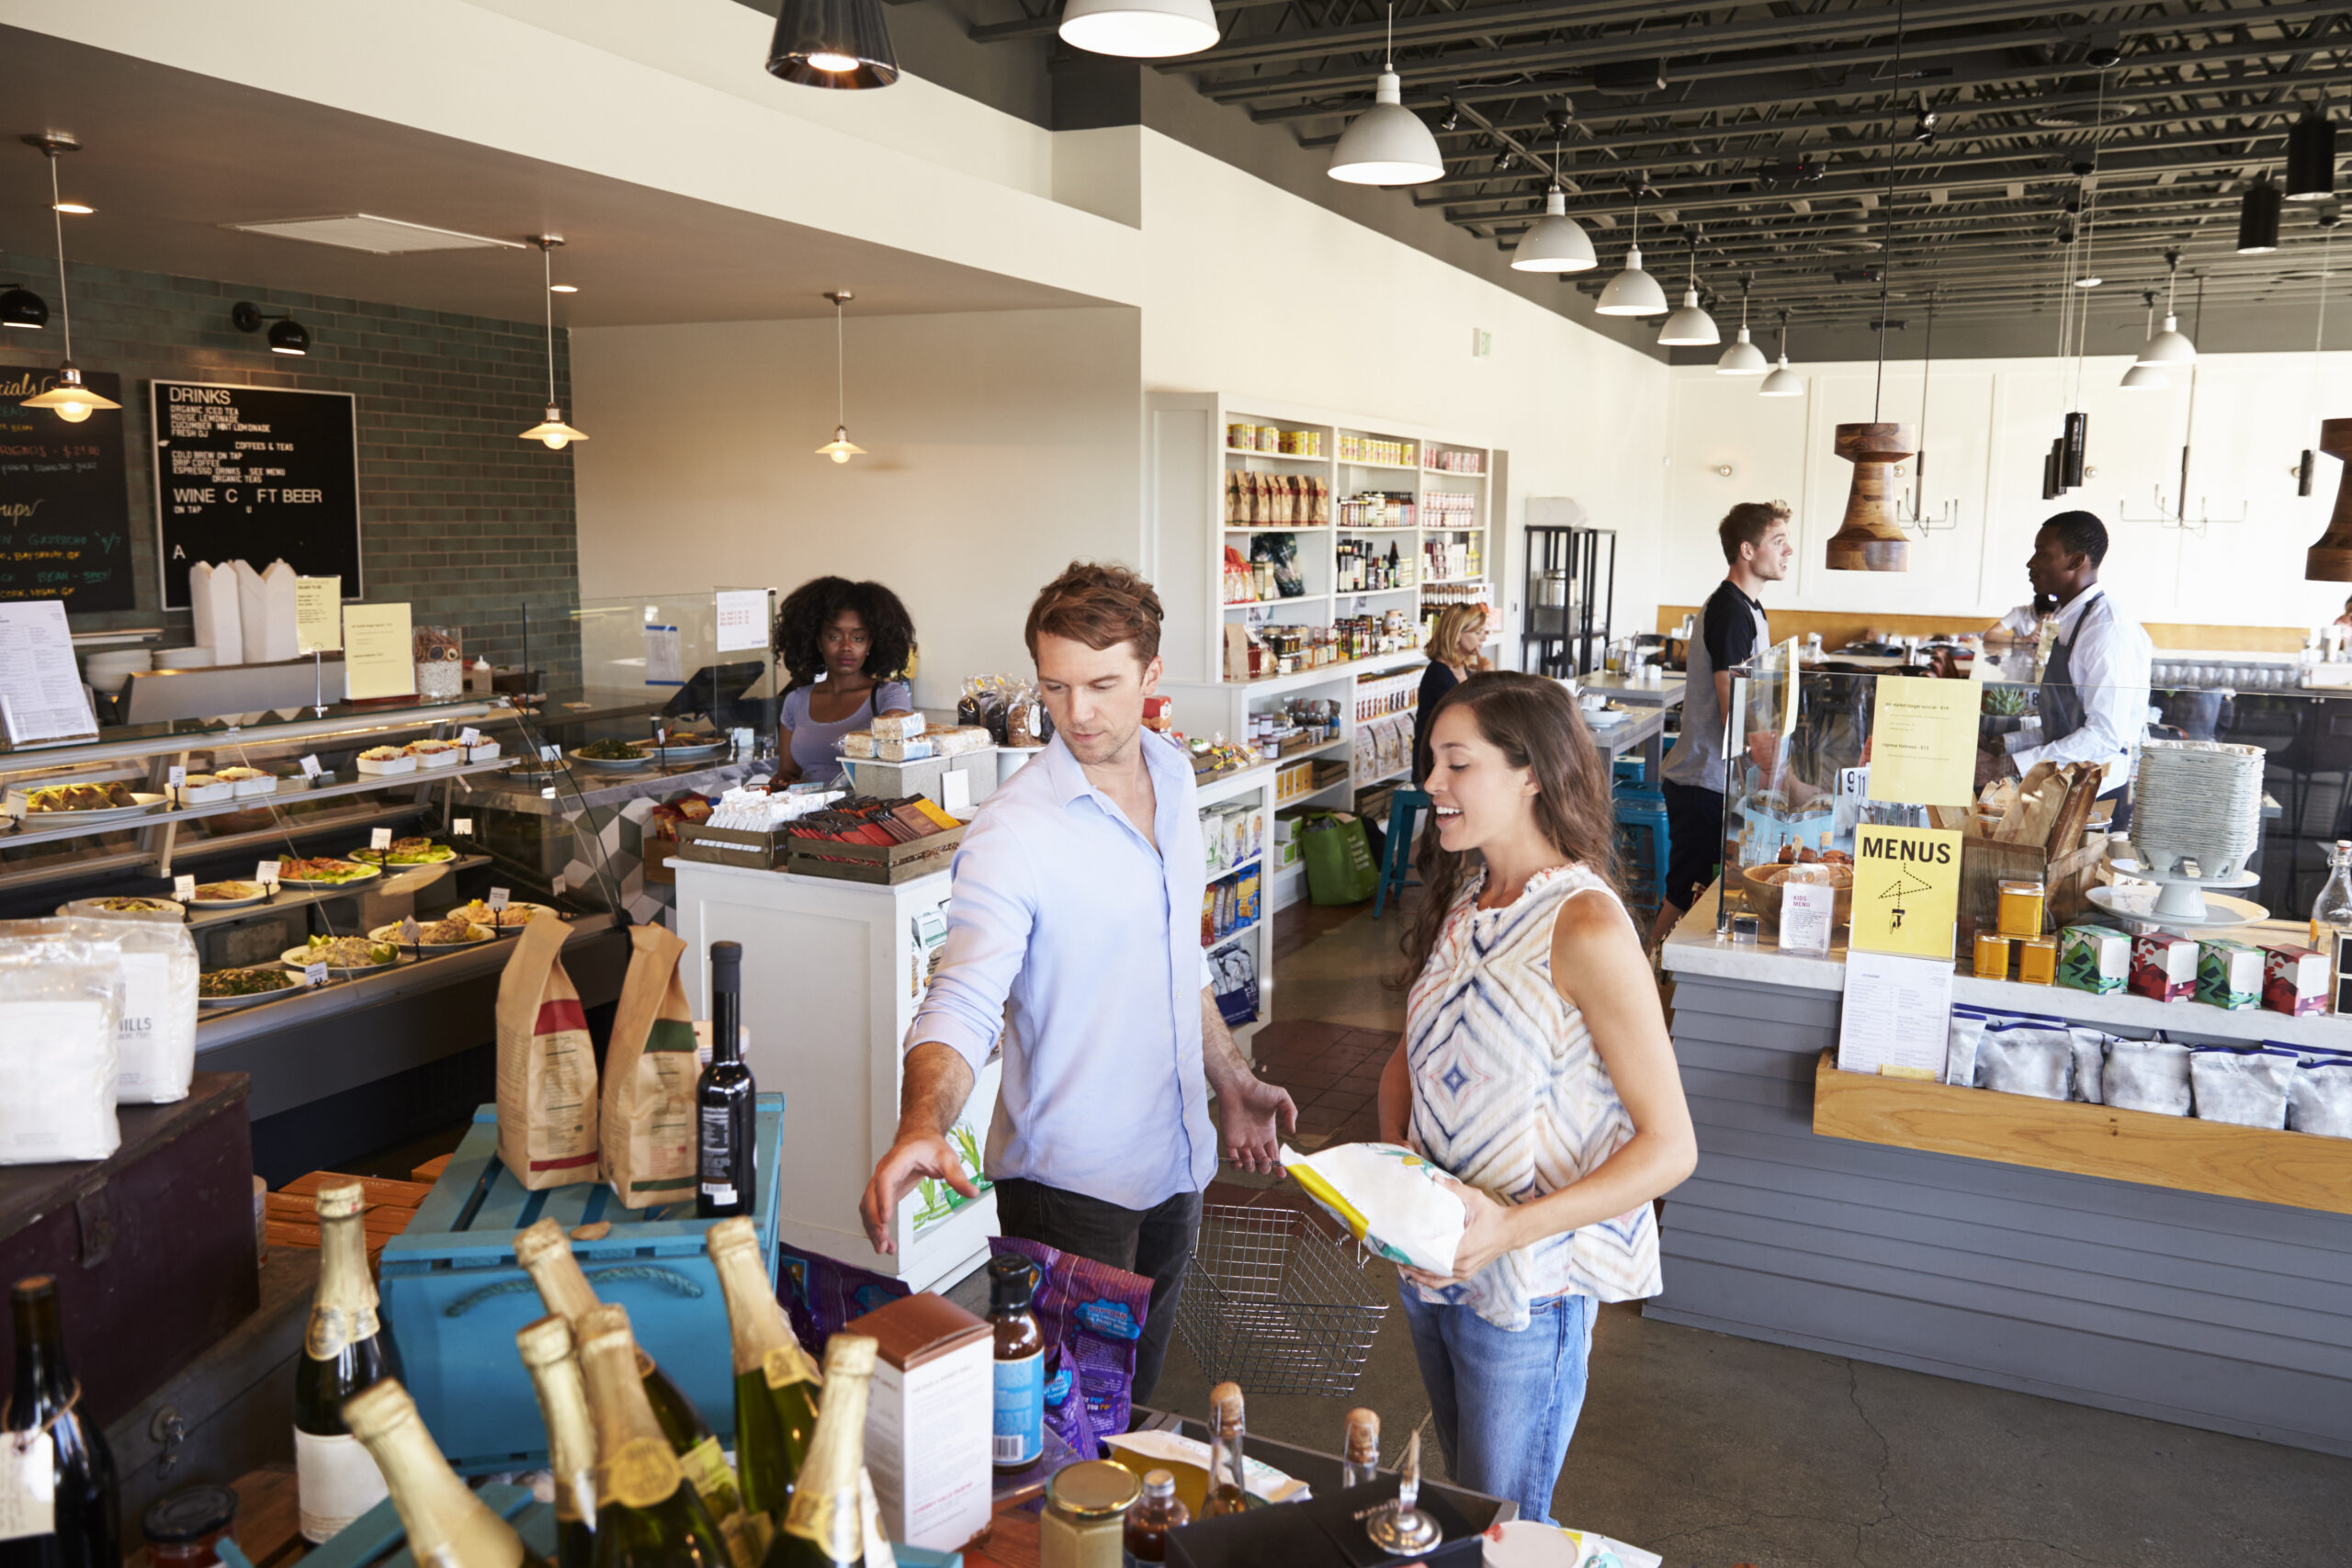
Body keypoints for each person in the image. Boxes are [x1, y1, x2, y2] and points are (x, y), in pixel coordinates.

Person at [857, 561, 1297, 1404]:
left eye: (1102, 684)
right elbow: (961, 996)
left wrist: (1230, 1078)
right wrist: (922, 1120)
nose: (1078, 713)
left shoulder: (1173, 775)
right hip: (1070, 1193)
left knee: (1132, 1410)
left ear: (1152, 676)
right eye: (1055, 687)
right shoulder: (1015, 830)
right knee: (1059, 1429)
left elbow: (1177, 961)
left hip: (1177, 1165)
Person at [1377, 672, 1697, 1524]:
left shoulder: (1584, 924)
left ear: (1532, 774)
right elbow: (1405, 1064)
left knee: (1506, 1527)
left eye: (1456, 764)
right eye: (1431, 763)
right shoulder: (1464, 898)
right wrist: (1397, 1193)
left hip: (1531, 1288)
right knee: (1469, 1503)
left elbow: (1671, 1147)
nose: (1431, 785)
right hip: (1439, 1270)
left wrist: (1505, 1230)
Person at [1652, 501, 1792, 947]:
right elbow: (1736, 706)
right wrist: (1776, 773)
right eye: (1778, 541)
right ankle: (1645, 981)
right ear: (1747, 550)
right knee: (1684, 894)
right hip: (1703, 780)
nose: (1788, 551)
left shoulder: (1749, 608)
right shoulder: (1730, 610)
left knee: (1699, 891)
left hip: (1718, 778)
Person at [1979, 511, 2152, 802]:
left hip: (2095, 795)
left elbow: (2103, 738)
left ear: (2075, 561)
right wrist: (2004, 743)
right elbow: (2064, 728)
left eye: (2041, 554)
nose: (2030, 564)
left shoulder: (2107, 630)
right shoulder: (2071, 620)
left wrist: (2009, 765)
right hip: (2062, 784)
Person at [774, 577, 917, 786]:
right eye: (834, 637)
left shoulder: (889, 696)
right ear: (818, 642)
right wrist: (780, 783)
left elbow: (891, 764)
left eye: (858, 638)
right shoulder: (795, 700)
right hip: (804, 816)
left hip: (859, 815)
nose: (846, 647)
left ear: (870, 645)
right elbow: (788, 773)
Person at [1413, 602, 1489, 786]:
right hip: (1434, 767)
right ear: (1456, 635)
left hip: (1457, 760)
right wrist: (1487, 681)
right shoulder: (1439, 675)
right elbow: (1470, 717)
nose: (1483, 639)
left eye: (1484, 633)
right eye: (1477, 633)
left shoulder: (1465, 670)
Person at [1983, 592, 2058, 648]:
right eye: (2045, 613)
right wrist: (2022, 640)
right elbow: (1989, 635)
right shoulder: (2018, 613)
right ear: (2035, 608)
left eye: (2053, 614)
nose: (2049, 618)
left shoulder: (2059, 617)